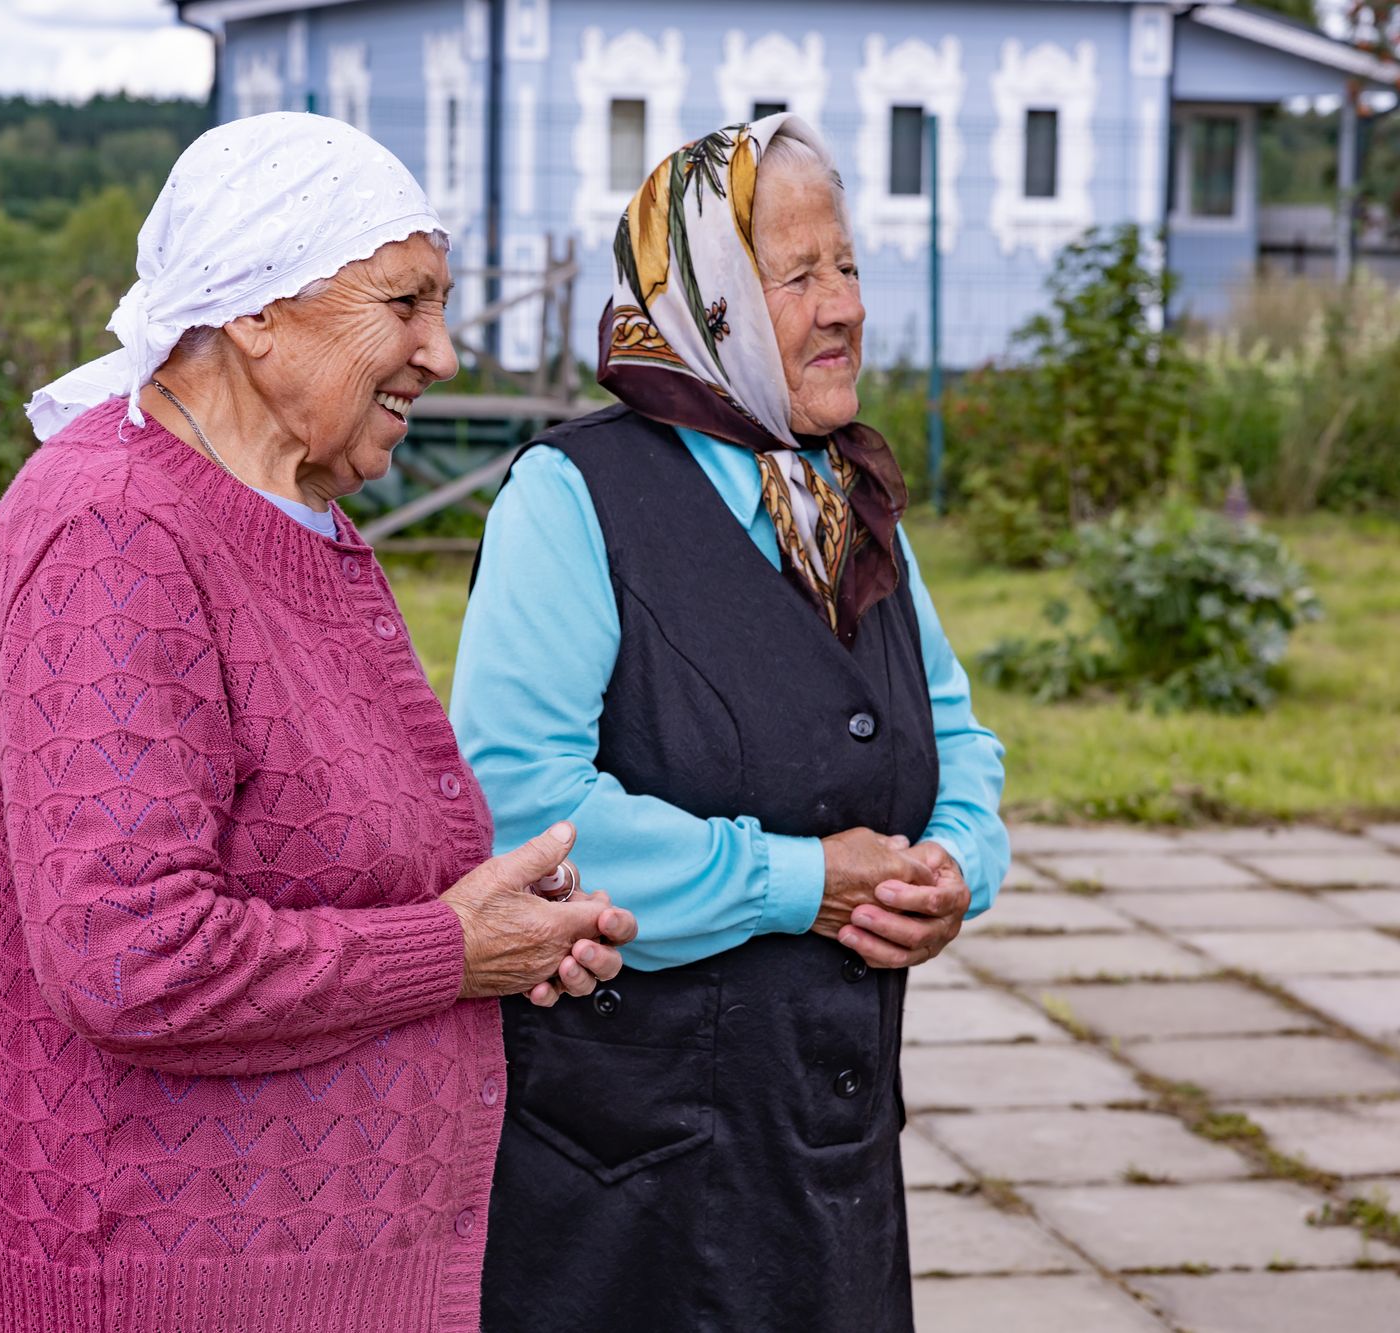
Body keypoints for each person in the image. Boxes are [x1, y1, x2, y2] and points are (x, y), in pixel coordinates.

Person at [0, 112, 636, 1333]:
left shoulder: (284, 509)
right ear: (256, 310)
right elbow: (131, 956)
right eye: (404, 302)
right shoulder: (115, 533)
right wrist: (449, 949)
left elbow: (326, 852)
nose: (440, 350)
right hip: (185, 1282)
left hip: (321, 1273)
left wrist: (503, 923)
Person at [453, 114, 1009, 1331]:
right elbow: (522, 808)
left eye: (846, 264)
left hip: (830, 1161)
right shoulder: (573, 497)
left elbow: (955, 735)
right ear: (699, 302)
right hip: (631, 1178)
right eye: (794, 276)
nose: (842, 306)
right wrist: (797, 881)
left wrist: (957, 866)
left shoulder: (844, 501)